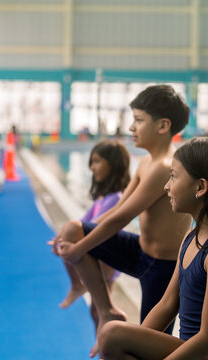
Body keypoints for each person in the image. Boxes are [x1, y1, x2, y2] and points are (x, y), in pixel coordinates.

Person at [51, 85, 192, 355]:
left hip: (162, 270)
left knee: (148, 346)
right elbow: (116, 209)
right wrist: (73, 238)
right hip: (140, 251)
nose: (131, 127)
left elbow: (123, 218)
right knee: (72, 229)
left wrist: (79, 249)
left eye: (138, 120)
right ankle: (107, 311)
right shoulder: (145, 163)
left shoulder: (165, 167)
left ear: (163, 126)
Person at [98, 136, 208, 359]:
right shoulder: (192, 236)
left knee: (112, 334)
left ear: (200, 187)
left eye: (173, 177)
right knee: (113, 338)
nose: (166, 186)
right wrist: (133, 340)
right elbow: (168, 304)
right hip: (193, 350)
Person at [50, 139, 130, 325]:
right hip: (99, 256)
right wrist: (60, 237)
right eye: (92, 162)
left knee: (102, 311)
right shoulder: (103, 198)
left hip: (107, 259)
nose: (92, 168)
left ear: (114, 166)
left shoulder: (116, 198)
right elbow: (83, 222)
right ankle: (103, 347)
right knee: (97, 311)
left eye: (97, 162)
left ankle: (107, 349)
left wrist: (66, 239)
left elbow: (96, 227)